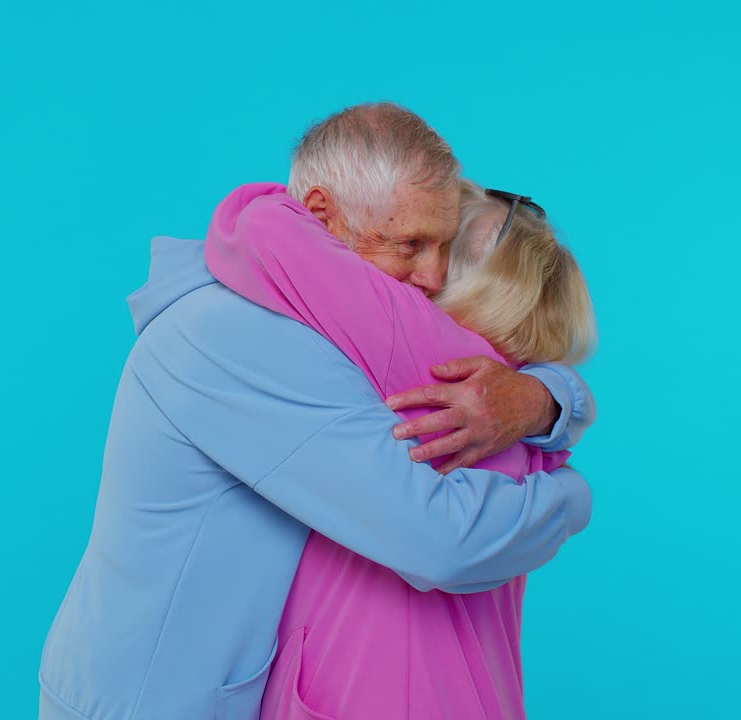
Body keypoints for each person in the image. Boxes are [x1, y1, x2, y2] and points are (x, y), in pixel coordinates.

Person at [37, 102, 596, 719]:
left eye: (443, 244)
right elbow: (440, 539)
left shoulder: (306, 314)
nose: (432, 276)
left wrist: (545, 399)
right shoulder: (236, 338)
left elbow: (479, 353)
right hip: (151, 701)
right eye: (410, 244)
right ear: (322, 217)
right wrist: (567, 494)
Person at [205, 177, 595, 719]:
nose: (419, 267)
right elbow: (567, 426)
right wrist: (555, 408)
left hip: (365, 694)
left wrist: (311, 200)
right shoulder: (514, 408)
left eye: (437, 245)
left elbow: (256, 228)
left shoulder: (415, 352)